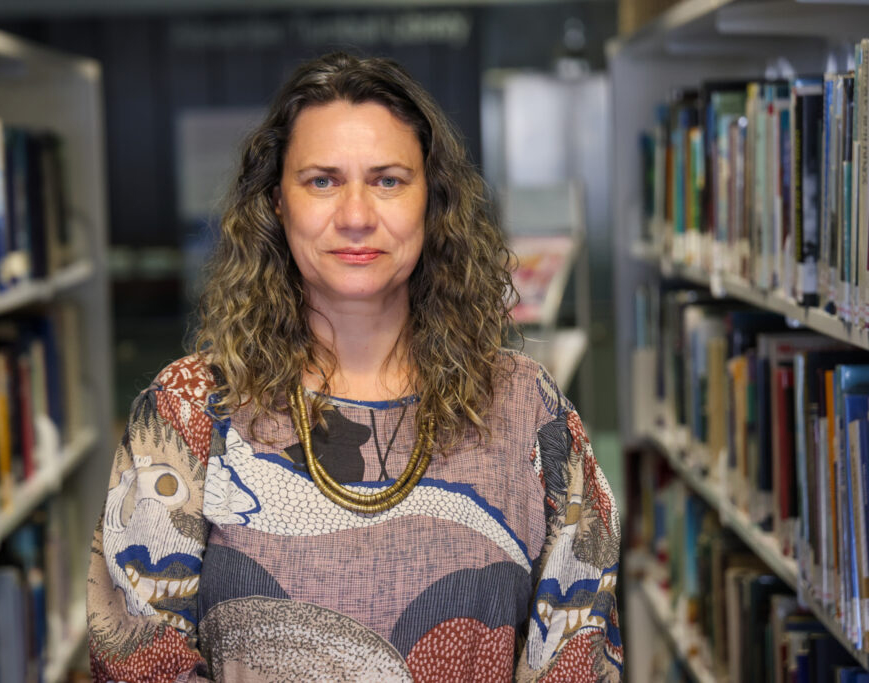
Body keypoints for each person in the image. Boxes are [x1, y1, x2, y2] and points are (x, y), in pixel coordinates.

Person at [87, 52, 621, 682]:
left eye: (389, 179)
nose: (357, 215)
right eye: (322, 181)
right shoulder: (188, 410)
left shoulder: (527, 409)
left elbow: (578, 650)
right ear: (276, 204)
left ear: (433, 201)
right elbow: (132, 654)